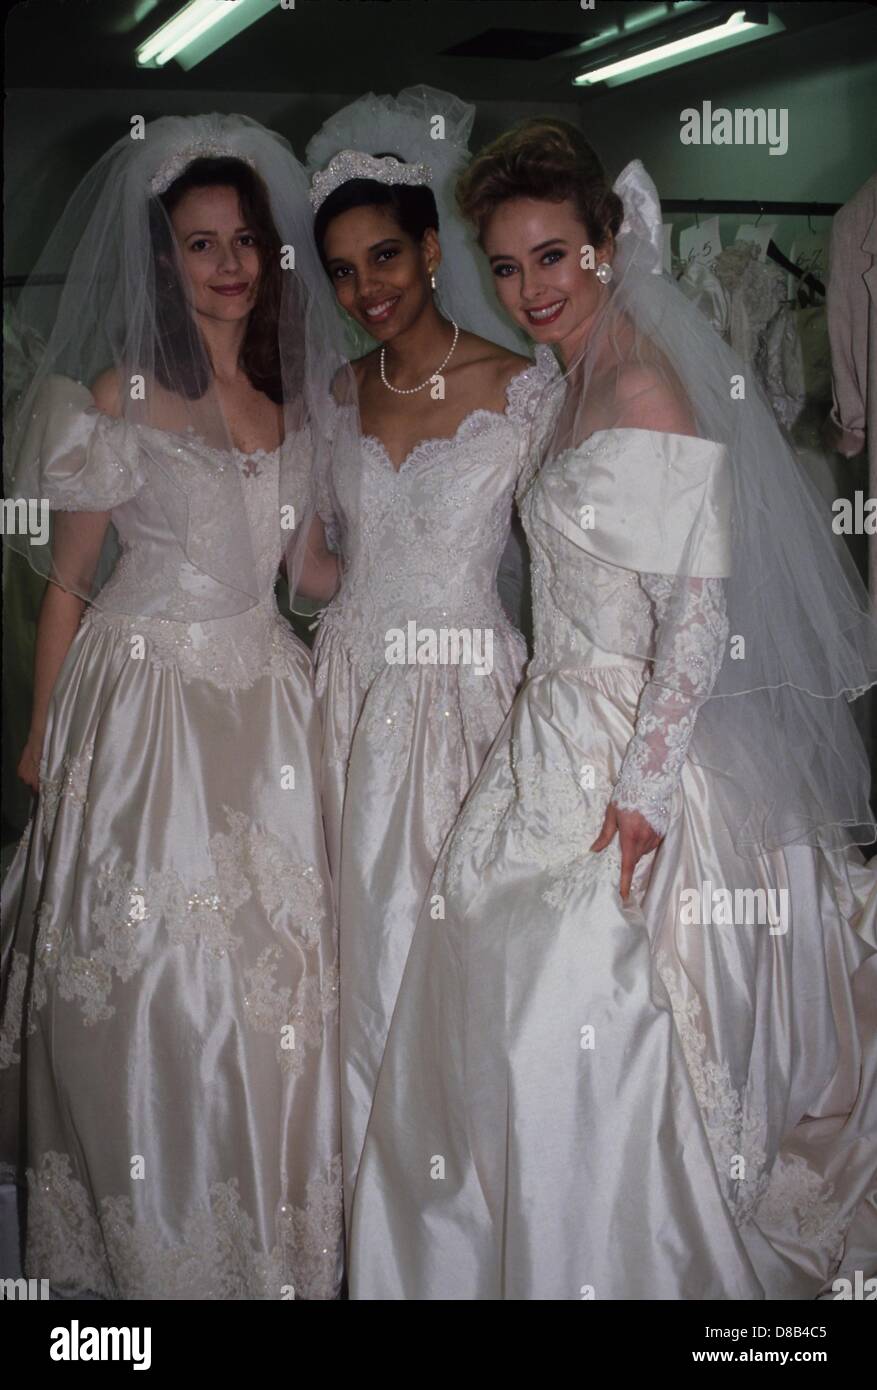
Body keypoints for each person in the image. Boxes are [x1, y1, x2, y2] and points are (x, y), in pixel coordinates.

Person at [348, 120, 877, 1300]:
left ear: (605, 244)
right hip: (544, 729)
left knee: (567, 995)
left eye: (552, 256)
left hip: (626, 751)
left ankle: (599, 1250)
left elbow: (696, 615)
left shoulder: (641, 386)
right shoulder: (564, 378)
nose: (530, 287)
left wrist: (640, 793)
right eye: (506, 264)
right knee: (479, 975)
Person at [0, 113, 345, 1299]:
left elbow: (302, 576)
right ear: (165, 260)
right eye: (201, 245)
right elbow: (69, 582)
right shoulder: (120, 392)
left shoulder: (299, 398)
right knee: (147, 972)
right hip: (144, 706)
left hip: (266, 709)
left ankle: (260, 1242)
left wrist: (413, 571)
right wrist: (44, 731)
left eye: (244, 239)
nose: (230, 264)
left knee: (277, 978)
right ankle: (144, 1251)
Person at [304, 87, 558, 1227]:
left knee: (448, 962)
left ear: (433, 247)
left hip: (465, 698)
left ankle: (459, 1218)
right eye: (345, 271)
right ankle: (364, 1211)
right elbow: (310, 563)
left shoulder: (522, 388)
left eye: (386, 256)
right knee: (351, 960)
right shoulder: (334, 392)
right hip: (345, 693)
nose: (367, 291)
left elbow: (566, 565)